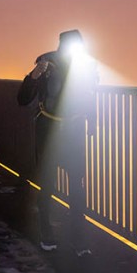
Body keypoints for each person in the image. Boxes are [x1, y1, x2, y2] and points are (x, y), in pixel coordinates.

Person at [17, 29, 97, 255]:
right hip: (48, 132)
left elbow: (89, 96)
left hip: (73, 133)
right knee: (48, 185)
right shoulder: (46, 63)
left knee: (77, 190)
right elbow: (23, 99)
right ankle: (47, 232)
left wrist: (91, 123)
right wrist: (33, 76)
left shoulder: (86, 67)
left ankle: (78, 239)